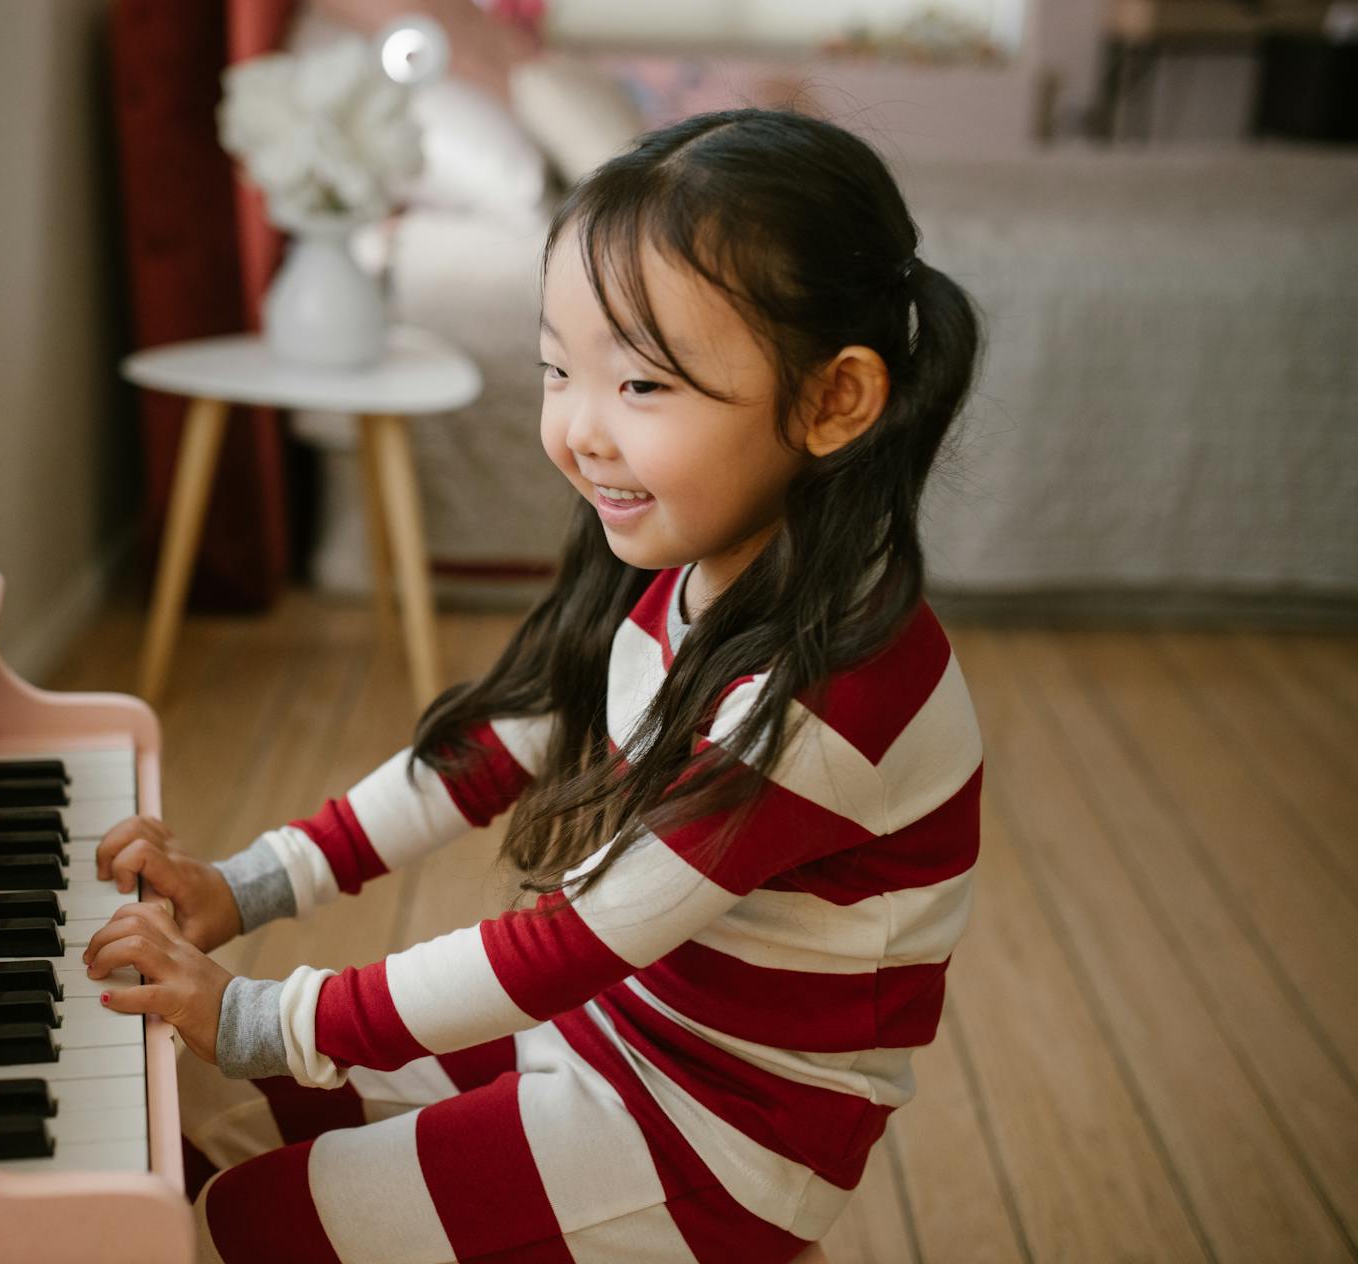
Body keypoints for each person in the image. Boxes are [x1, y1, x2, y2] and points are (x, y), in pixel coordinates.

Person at [82, 107, 987, 1263]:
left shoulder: (822, 695)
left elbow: (571, 941)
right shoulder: (708, 561)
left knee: (245, 1223)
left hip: (714, 1142)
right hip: (612, 1038)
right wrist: (249, 884)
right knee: (205, 1129)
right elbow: (496, 745)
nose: (578, 432)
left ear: (835, 401)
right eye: (560, 370)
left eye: (644, 387)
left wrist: (259, 1012)